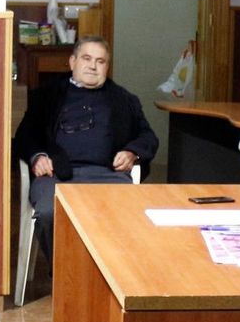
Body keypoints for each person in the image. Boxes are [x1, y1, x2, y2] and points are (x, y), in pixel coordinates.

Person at [13, 36, 158, 256]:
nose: (93, 66)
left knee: (129, 214)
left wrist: (132, 152)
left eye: (100, 61)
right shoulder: (46, 95)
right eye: (87, 58)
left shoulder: (124, 99)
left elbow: (148, 136)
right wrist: (37, 156)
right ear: (72, 62)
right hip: (56, 174)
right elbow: (26, 133)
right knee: (49, 213)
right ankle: (64, 276)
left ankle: (106, 277)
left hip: (108, 175)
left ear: (107, 67)